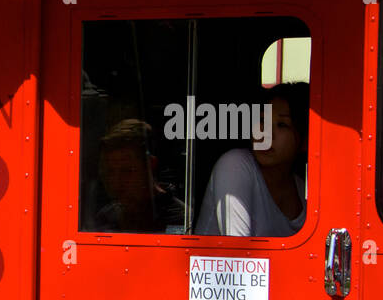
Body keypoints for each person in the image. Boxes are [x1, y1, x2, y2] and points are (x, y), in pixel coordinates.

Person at [195, 83, 309, 237]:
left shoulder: (303, 190)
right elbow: (240, 253)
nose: (266, 134)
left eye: (282, 125)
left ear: (305, 141)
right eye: (262, 120)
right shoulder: (234, 165)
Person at [88, 119, 185, 233]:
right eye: (109, 171)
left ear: (150, 166)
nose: (116, 181)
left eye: (127, 171)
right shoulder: (106, 217)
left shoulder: (179, 219)